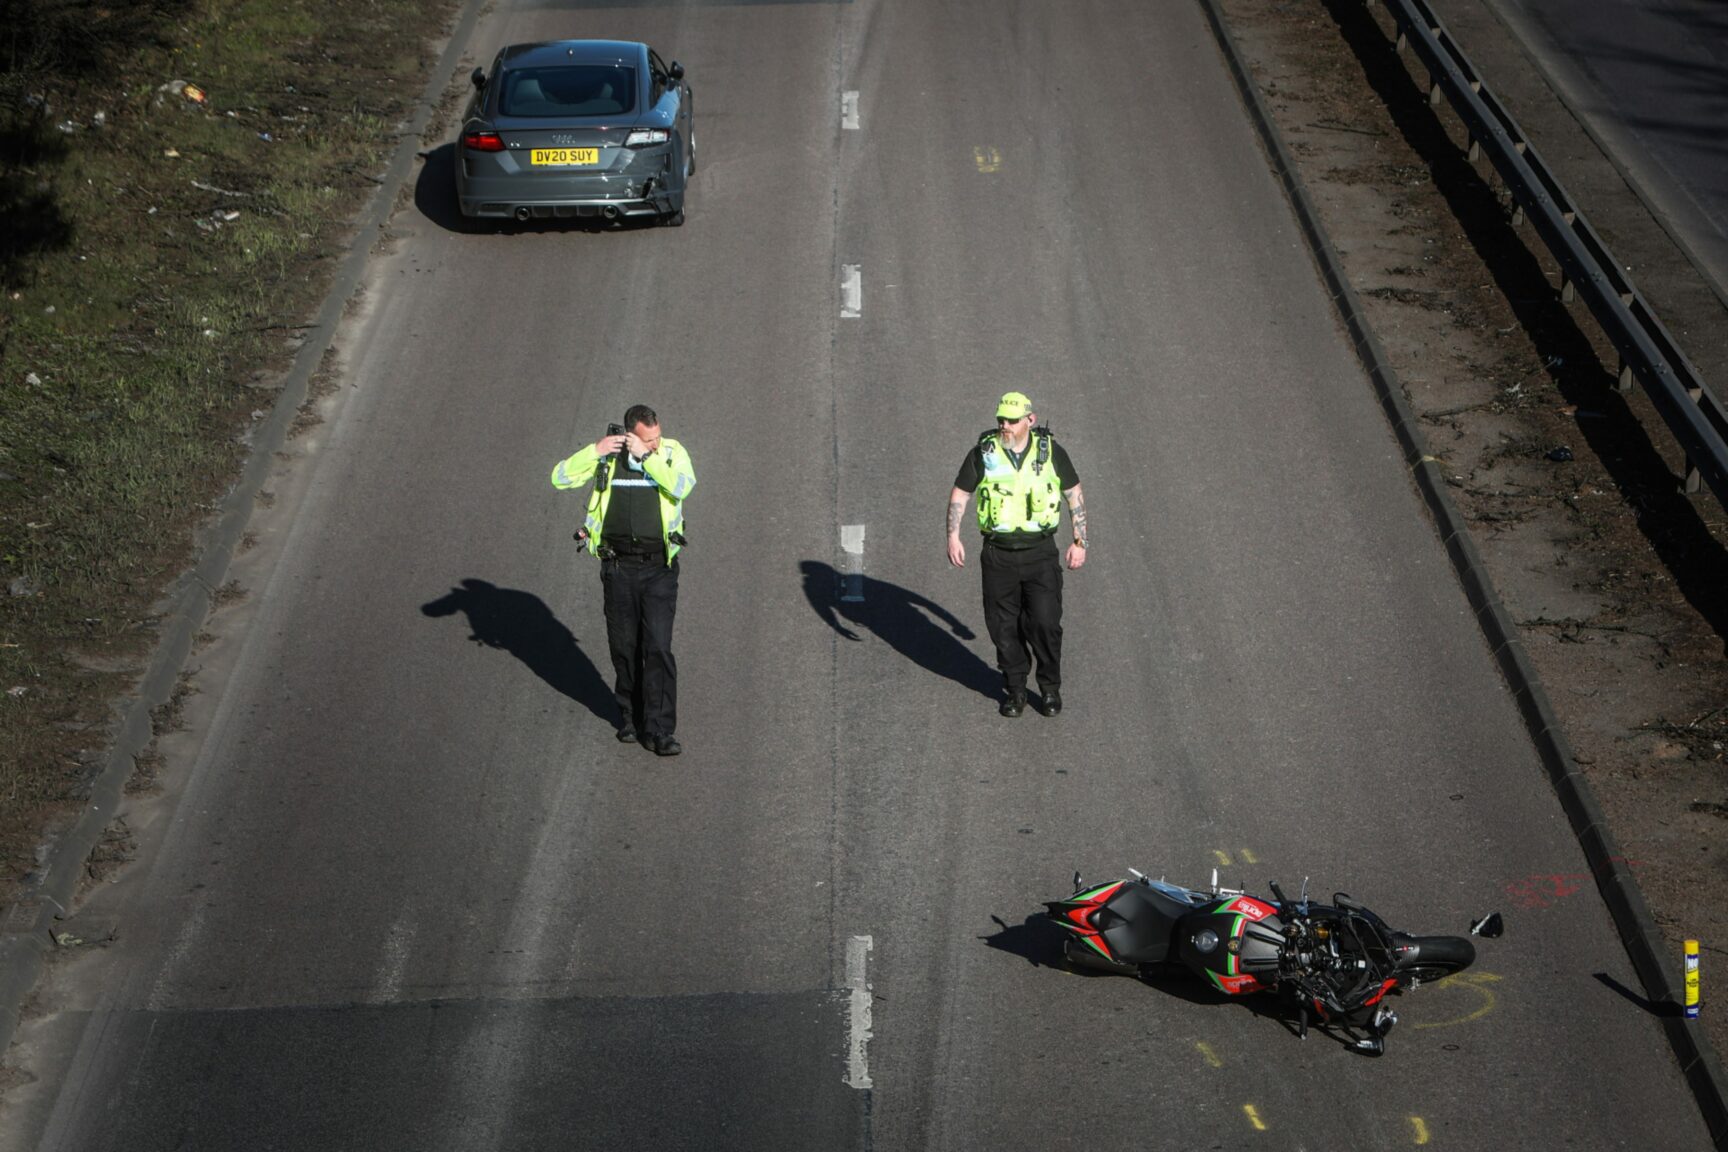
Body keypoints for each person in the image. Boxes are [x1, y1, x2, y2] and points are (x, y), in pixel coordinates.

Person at [551, 404, 696, 755]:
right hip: (617, 569)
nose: (656, 444)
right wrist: (595, 450)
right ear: (630, 435)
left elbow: (682, 487)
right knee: (624, 648)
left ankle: (660, 730)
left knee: (658, 647)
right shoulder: (606, 458)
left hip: (658, 568)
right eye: (648, 440)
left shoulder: (671, 453)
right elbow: (560, 478)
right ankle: (631, 716)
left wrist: (648, 458)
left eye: (658, 437)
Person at [946, 391, 1087, 717]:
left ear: (1030, 421)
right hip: (999, 555)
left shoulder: (1050, 452)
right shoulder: (985, 453)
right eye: (1000, 420)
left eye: (1011, 420)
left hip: (1040, 554)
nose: (1004, 426)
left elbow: (1073, 493)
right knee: (1003, 628)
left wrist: (1080, 541)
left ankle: (1049, 688)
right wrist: (953, 535)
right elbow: (961, 493)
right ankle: (1016, 689)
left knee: (1045, 623)